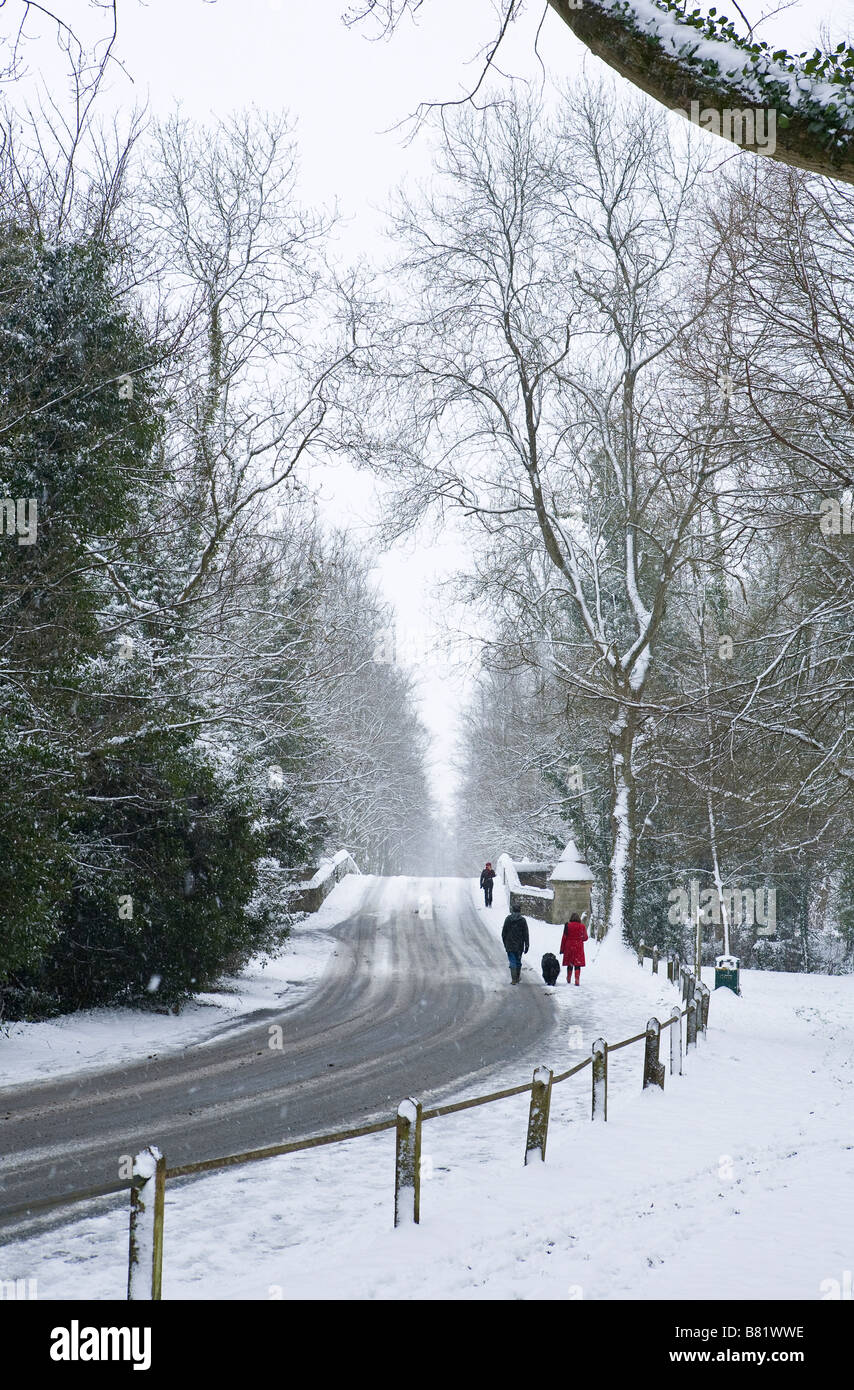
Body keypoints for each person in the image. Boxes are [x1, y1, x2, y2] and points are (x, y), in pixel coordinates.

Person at [501, 905, 529, 985]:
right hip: (519, 945)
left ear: (512, 910)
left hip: (509, 944)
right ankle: (517, 977)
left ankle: (514, 979)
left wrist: (505, 943)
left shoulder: (508, 919)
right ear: (519, 911)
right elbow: (525, 933)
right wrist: (527, 944)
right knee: (518, 961)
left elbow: (504, 933)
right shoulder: (523, 920)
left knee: (512, 961)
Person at [560, 912, 589, 985]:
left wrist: (562, 949)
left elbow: (564, 938)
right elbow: (585, 938)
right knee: (577, 964)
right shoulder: (582, 926)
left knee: (570, 963)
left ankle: (568, 978)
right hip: (578, 947)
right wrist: (579, 938)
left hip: (569, 946)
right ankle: (577, 980)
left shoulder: (568, 925)